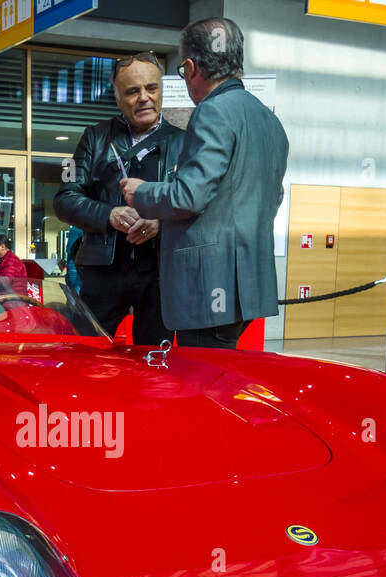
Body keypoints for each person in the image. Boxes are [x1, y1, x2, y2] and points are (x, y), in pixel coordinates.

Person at [121, 18, 288, 349]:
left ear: (191, 67)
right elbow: (272, 196)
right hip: (249, 281)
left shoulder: (212, 112)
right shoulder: (269, 120)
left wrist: (141, 192)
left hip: (209, 282)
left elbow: (189, 195)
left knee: (203, 381)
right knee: (222, 377)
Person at [53, 51, 183, 344]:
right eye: (132, 91)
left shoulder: (184, 141)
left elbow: (197, 204)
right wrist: (109, 215)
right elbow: (64, 199)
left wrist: (162, 223)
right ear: (117, 97)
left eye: (151, 88)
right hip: (103, 270)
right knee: (85, 353)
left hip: (161, 274)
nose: (144, 98)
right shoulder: (94, 138)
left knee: (154, 362)